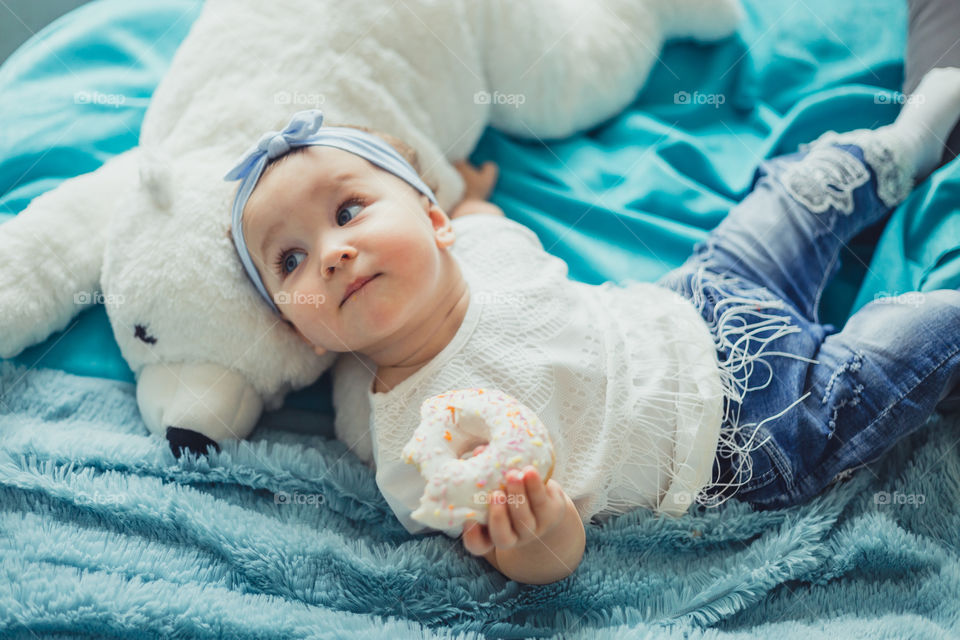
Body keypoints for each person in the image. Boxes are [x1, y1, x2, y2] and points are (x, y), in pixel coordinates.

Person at [223, 62, 960, 586]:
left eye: (349, 210)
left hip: (698, 298)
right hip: (745, 434)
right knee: (914, 337)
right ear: (308, 334)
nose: (332, 253)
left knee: (794, 198)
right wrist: (537, 534)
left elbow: (479, 217)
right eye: (289, 260)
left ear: (433, 218)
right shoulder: (414, 449)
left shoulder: (479, 241)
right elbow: (546, 561)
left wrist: (474, 192)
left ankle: (897, 149)